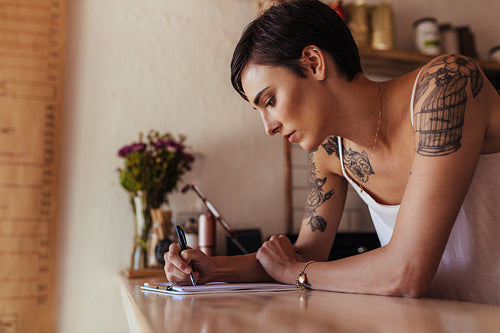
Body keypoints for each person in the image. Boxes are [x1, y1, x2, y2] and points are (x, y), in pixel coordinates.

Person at [164, 0, 500, 304]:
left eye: (270, 101)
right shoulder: (330, 151)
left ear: (313, 63)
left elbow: (406, 272)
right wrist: (212, 268)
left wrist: (294, 271)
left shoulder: (446, 86)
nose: (269, 127)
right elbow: (304, 254)